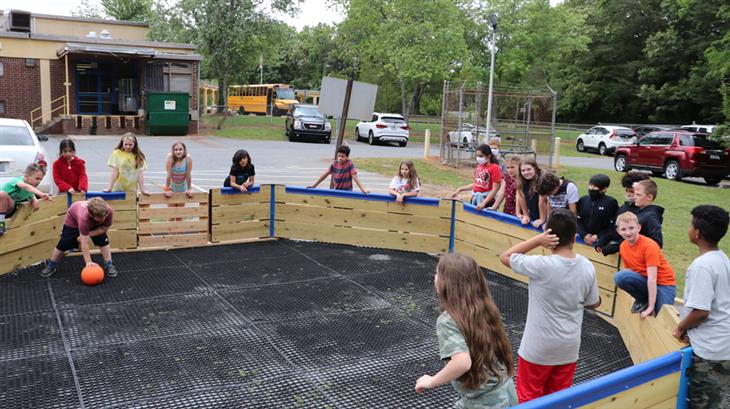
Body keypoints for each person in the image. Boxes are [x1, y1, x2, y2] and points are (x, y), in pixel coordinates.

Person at [499, 209, 601, 403]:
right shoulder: (587, 266)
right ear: (574, 236)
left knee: (528, 399)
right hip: (568, 349)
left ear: (548, 234)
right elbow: (593, 302)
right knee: (558, 400)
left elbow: (505, 257)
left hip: (537, 349)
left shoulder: (541, 265)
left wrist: (537, 240)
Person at [415, 253, 518, 408]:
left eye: (438, 273)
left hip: (483, 402)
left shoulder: (448, 320)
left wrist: (432, 381)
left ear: (447, 283)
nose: (435, 277)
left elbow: (462, 363)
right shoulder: (485, 308)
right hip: (506, 392)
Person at [673, 205, 730, 409]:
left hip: (709, 351)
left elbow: (701, 311)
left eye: (690, 225)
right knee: (720, 399)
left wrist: (680, 328)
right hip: (723, 345)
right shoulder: (723, 259)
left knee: (704, 403)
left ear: (697, 233)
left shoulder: (702, 266)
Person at [613, 212, 676, 318]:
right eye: (623, 229)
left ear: (639, 228)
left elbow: (652, 278)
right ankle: (643, 299)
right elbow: (630, 272)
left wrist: (651, 307)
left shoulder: (649, 245)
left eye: (631, 228)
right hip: (645, 281)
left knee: (662, 316)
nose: (628, 232)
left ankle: (650, 302)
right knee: (620, 277)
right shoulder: (623, 246)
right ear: (618, 231)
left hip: (663, 284)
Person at [40, 197, 117, 278]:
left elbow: (103, 228)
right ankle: (51, 265)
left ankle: (109, 265)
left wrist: (88, 234)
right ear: (91, 215)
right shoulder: (84, 218)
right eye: (100, 217)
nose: (104, 218)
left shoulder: (108, 211)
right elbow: (84, 242)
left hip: (94, 223)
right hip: (73, 221)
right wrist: (88, 262)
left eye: (105, 215)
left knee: (103, 240)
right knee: (63, 244)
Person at [594, 171, 650, 255]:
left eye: (631, 191)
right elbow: (614, 229)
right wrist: (603, 239)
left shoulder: (647, 213)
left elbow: (637, 238)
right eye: (626, 190)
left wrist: (615, 247)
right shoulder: (622, 208)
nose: (628, 194)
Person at [0, 163, 53, 235]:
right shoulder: (17, 180)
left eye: (41, 179)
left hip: (9, 209)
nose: (39, 181)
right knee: (2, 194)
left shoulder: (30, 190)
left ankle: (1, 225)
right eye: (37, 178)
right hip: (2, 204)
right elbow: (25, 187)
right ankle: (1, 225)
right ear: (26, 176)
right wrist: (41, 194)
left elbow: (30, 192)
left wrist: (34, 199)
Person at [451, 144, 502, 211]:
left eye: (481, 156)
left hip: (486, 201)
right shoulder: (479, 166)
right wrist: (460, 189)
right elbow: (477, 184)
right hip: (475, 199)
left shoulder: (495, 168)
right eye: (477, 156)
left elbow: (495, 188)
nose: (478, 158)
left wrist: (484, 203)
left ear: (488, 156)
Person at [576, 174, 619, 247]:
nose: (591, 188)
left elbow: (613, 224)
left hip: (600, 242)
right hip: (582, 240)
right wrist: (584, 235)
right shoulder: (583, 200)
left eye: (595, 186)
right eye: (590, 185)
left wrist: (598, 236)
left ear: (604, 189)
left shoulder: (611, 203)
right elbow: (577, 220)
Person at [515, 158, 544, 228]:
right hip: (533, 211)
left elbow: (542, 201)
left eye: (529, 169)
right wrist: (526, 215)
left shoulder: (542, 180)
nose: (526, 172)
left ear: (535, 169)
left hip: (544, 213)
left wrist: (542, 219)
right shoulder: (521, 181)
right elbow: (521, 198)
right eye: (523, 170)